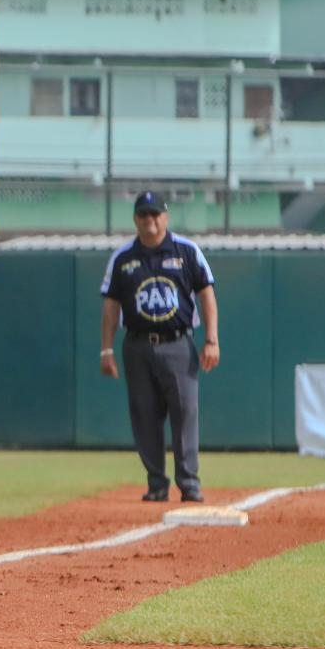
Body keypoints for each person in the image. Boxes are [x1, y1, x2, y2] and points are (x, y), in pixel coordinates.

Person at [99, 191, 220, 503]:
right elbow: (111, 306)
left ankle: (189, 482)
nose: (149, 220)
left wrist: (211, 339)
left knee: (184, 411)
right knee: (144, 414)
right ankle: (156, 483)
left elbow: (206, 294)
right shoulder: (123, 257)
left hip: (178, 342)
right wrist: (106, 349)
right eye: (143, 215)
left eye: (155, 214)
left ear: (166, 217)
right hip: (137, 344)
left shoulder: (187, 251)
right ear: (135, 219)